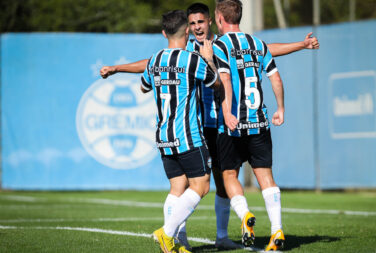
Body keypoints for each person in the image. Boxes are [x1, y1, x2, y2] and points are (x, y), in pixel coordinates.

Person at [100, 2, 319, 250]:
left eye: (200, 22)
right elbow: (151, 63)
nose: (196, 28)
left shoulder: (220, 45)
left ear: (211, 21)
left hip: (221, 124)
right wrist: (119, 68)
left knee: (222, 181)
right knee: (193, 184)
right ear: (187, 28)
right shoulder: (190, 51)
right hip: (202, 125)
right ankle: (177, 237)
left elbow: (268, 50)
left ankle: (221, 237)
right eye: (191, 24)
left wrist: (301, 45)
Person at [140, 10, 218, 253]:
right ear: (187, 31)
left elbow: (144, 87)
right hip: (188, 135)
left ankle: (175, 244)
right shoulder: (191, 59)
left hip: (164, 136)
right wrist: (209, 58)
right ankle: (167, 232)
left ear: (164, 33)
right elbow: (215, 82)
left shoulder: (154, 60)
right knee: (202, 186)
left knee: (177, 188)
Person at [212, 0, 286, 250]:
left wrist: (227, 113)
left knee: (229, 174)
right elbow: (275, 77)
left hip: (233, 125)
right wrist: (281, 108)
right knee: (265, 175)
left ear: (220, 18)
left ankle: (244, 216)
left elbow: (225, 80)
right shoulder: (257, 43)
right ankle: (277, 232)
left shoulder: (220, 44)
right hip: (260, 121)